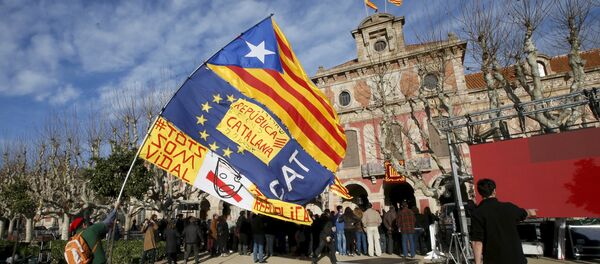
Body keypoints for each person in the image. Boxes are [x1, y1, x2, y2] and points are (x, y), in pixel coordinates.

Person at [470, 178, 536, 264]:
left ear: (480, 193)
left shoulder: (477, 213)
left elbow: (477, 242)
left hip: (494, 260)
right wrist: (531, 211)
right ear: (494, 191)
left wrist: (477, 262)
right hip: (517, 259)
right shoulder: (509, 207)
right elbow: (526, 213)